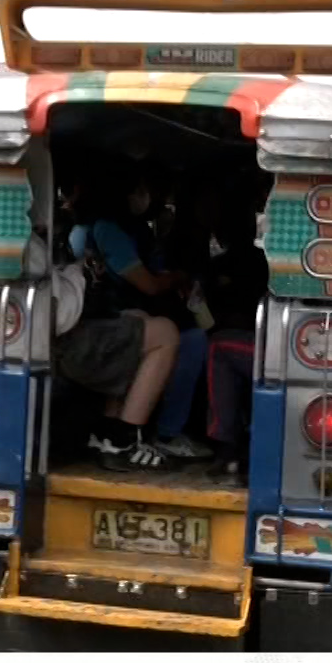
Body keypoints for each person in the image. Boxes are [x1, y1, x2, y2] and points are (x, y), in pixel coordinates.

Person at [69, 170, 212, 461]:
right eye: (140, 189)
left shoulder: (88, 227)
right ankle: (143, 437)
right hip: (92, 328)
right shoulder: (108, 230)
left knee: (141, 326)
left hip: (87, 323)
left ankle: (109, 433)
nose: (144, 197)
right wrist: (176, 278)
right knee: (175, 336)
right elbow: (147, 284)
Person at [26, 231, 178, 472]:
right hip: (60, 341)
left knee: (137, 322)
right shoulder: (28, 244)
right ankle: (123, 441)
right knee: (165, 334)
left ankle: (106, 433)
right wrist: (82, 273)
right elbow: (59, 311)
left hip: (54, 337)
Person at [198, 182, 270, 477]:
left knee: (218, 349)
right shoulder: (263, 262)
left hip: (262, 345)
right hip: (260, 342)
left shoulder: (233, 266)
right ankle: (231, 448)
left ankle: (226, 446)